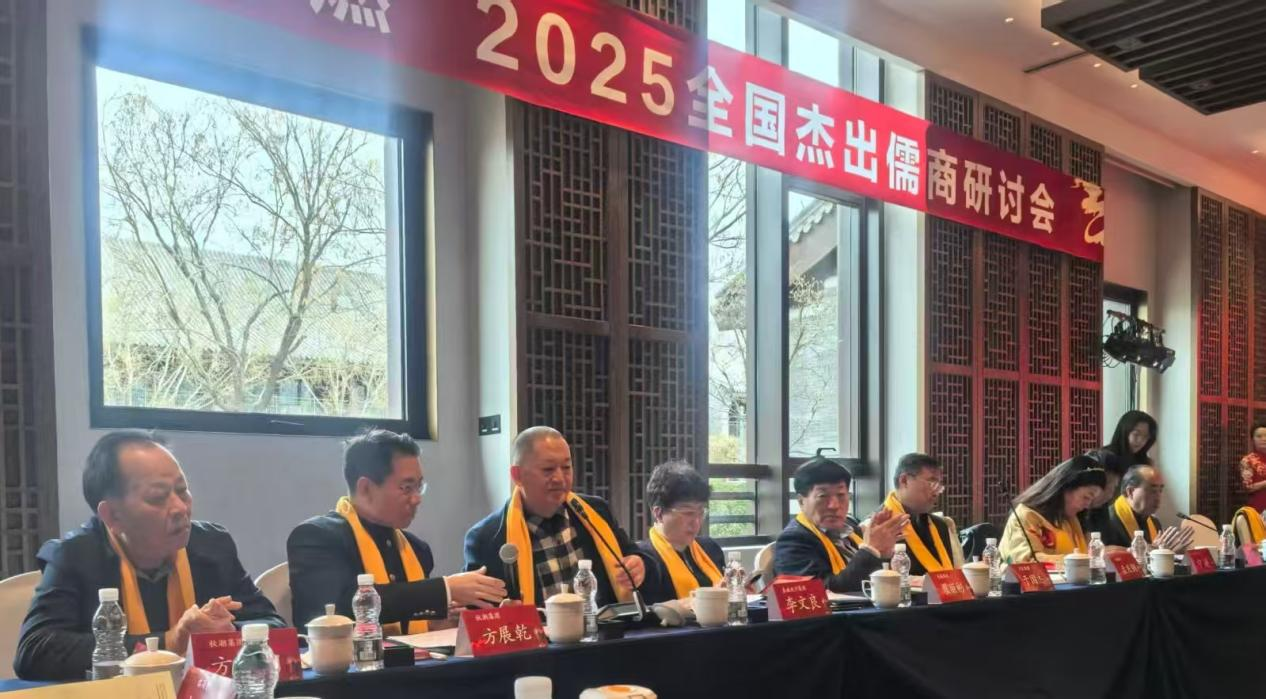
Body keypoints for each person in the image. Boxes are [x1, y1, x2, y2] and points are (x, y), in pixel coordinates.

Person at [15, 431, 285, 681]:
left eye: (182, 491)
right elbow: (35, 651)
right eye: (158, 497)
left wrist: (225, 633)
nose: (180, 508)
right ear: (112, 515)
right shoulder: (75, 555)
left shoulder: (212, 545)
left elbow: (275, 627)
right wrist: (169, 642)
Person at [287, 429, 505, 633]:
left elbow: (406, 616)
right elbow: (334, 611)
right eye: (406, 488)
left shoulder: (417, 549)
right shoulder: (317, 537)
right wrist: (444, 589)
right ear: (365, 488)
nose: (417, 499)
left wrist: (438, 621)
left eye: (419, 487)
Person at [464, 427, 651, 607]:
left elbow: (634, 555)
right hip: (537, 630)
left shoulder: (595, 511)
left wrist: (639, 565)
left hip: (602, 627)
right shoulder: (486, 538)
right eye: (548, 469)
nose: (560, 478)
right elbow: (477, 611)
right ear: (517, 475)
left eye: (566, 467)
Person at [773, 456, 907, 592]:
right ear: (801, 501)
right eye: (823, 496)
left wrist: (883, 553)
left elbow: (870, 579)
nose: (834, 505)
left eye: (841, 495)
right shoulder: (793, 541)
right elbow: (820, 592)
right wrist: (871, 550)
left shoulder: (850, 529)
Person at [636, 461, 725, 603]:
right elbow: (650, 611)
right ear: (658, 513)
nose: (696, 522)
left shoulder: (710, 548)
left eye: (701, 512)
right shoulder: (642, 559)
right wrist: (709, 598)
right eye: (688, 513)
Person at [863, 453, 965, 576]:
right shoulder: (876, 529)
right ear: (904, 480)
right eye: (932, 483)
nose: (936, 492)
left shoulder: (941, 525)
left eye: (939, 485)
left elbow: (958, 573)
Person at [1000, 455, 1106, 564]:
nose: (1088, 505)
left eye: (1092, 500)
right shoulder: (1027, 515)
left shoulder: (1073, 520)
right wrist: (1075, 561)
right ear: (1065, 487)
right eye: (1086, 497)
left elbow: (1086, 556)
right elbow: (1027, 561)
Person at [1101, 465, 1193, 553]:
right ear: (1130, 491)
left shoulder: (1154, 522)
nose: (1158, 497)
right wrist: (1144, 551)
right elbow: (1099, 552)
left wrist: (1169, 553)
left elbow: (1154, 554)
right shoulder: (1106, 519)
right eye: (1152, 491)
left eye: (1160, 490)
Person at [1238, 422, 1266, 515]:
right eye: (1259, 436)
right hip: (1258, 511)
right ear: (1252, 439)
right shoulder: (1248, 460)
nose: (1264, 439)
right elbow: (1248, 487)